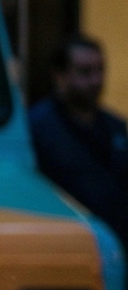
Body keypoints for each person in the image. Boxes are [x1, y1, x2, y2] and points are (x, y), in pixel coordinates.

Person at [29, 34, 128, 249]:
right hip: (65, 248)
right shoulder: (38, 129)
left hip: (114, 248)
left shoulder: (116, 128)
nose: (96, 80)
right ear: (59, 76)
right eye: (84, 72)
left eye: (100, 70)